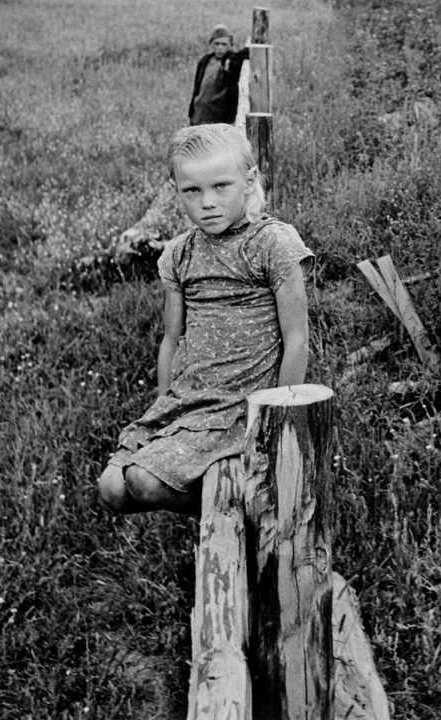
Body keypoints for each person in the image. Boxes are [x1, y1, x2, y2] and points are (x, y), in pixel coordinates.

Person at [98, 124, 312, 515]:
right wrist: (164, 405)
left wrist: (277, 419)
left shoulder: (271, 243)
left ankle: (246, 502)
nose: (207, 202)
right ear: (176, 189)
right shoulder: (179, 254)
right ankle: (227, 498)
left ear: (248, 182)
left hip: (244, 402)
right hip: (192, 399)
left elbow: (297, 338)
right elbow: (171, 339)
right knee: (111, 488)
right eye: (192, 190)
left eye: (221, 186)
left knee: (143, 482)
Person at [188, 25, 249, 125]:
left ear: (230, 45)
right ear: (211, 44)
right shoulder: (205, 61)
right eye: (217, 44)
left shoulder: (230, 62)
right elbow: (197, 89)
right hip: (199, 113)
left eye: (224, 44)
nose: (220, 48)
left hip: (218, 117)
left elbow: (244, 54)